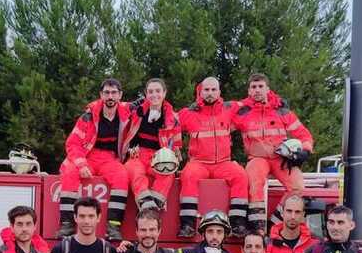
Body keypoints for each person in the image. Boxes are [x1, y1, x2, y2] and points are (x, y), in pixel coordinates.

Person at [230, 73, 314, 234]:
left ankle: (274, 223)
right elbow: (221, 131)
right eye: (253, 87)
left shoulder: (281, 111)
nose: (257, 90)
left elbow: (304, 135)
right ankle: (258, 228)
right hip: (257, 158)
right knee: (255, 184)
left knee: (297, 187)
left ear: (268, 89)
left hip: (280, 158)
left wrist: (305, 151)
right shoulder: (242, 112)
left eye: (260, 86)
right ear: (249, 91)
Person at [58, 78, 132, 240]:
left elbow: (152, 105)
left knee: (122, 176)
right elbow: (73, 144)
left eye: (114, 93)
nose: (110, 96)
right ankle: (66, 224)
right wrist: (81, 164)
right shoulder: (88, 116)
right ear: (101, 95)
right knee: (70, 171)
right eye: (106, 93)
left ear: (120, 95)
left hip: (110, 159)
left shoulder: (128, 113)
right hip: (88, 156)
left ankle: (113, 227)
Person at [176, 77, 248, 238]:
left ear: (219, 92)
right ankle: (187, 224)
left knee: (241, 175)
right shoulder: (188, 113)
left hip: (223, 163)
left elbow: (252, 101)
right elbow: (168, 124)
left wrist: (273, 100)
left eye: (213, 90)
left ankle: (238, 224)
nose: (210, 93)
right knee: (188, 175)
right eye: (206, 90)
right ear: (200, 92)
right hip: (198, 163)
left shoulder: (229, 109)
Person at [123, 78, 181, 213]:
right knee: (135, 170)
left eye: (158, 91)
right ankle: (145, 202)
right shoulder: (136, 111)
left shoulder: (173, 117)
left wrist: (174, 161)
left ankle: (155, 205)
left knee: (168, 173)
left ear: (164, 93)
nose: (154, 95)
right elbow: (113, 105)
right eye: (150, 92)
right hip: (137, 154)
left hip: (158, 156)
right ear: (145, 94)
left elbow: (176, 145)